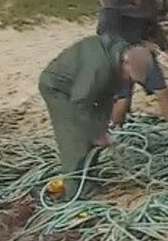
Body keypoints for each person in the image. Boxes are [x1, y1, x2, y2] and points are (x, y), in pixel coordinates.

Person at [39, 36, 152, 198]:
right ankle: (75, 191)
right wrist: (96, 133)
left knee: (94, 134)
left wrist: (103, 127)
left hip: (81, 91)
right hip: (59, 89)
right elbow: (80, 102)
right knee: (75, 138)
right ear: (125, 63)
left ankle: (89, 179)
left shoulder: (117, 56)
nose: (128, 79)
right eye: (129, 75)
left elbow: (105, 98)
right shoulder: (99, 68)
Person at [97, 0, 168, 123]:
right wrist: (137, 43)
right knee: (123, 98)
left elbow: (154, 27)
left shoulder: (148, 0)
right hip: (120, 54)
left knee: (161, 90)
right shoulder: (113, 0)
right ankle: (114, 130)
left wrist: (167, 48)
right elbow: (106, 33)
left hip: (142, 53)